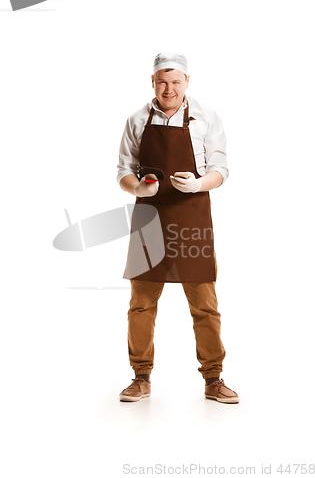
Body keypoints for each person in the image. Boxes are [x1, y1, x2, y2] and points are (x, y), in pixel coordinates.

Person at [117, 53, 239, 404]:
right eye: (162, 82)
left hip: (193, 215)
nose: (169, 89)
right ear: (152, 82)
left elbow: (221, 168)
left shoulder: (205, 117)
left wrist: (199, 185)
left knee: (204, 304)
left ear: (187, 82)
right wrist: (138, 188)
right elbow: (123, 171)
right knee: (141, 303)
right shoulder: (137, 120)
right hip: (149, 218)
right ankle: (140, 378)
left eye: (176, 82)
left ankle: (214, 379)